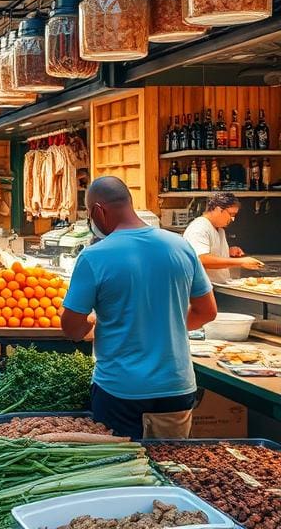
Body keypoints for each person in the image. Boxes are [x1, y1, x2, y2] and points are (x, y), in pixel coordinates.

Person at [60, 176, 218, 440]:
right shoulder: (180, 246)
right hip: (176, 387)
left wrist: (98, 328)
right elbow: (207, 312)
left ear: (98, 210)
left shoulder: (94, 257)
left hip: (119, 390)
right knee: (169, 469)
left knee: (121, 473)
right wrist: (164, 327)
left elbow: (72, 329)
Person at [182, 192, 263, 284]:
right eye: (231, 214)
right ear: (218, 209)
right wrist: (240, 262)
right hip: (204, 289)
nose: (232, 219)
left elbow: (209, 251)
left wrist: (227, 251)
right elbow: (202, 259)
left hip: (219, 285)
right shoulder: (199, 227)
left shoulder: (220, 229)